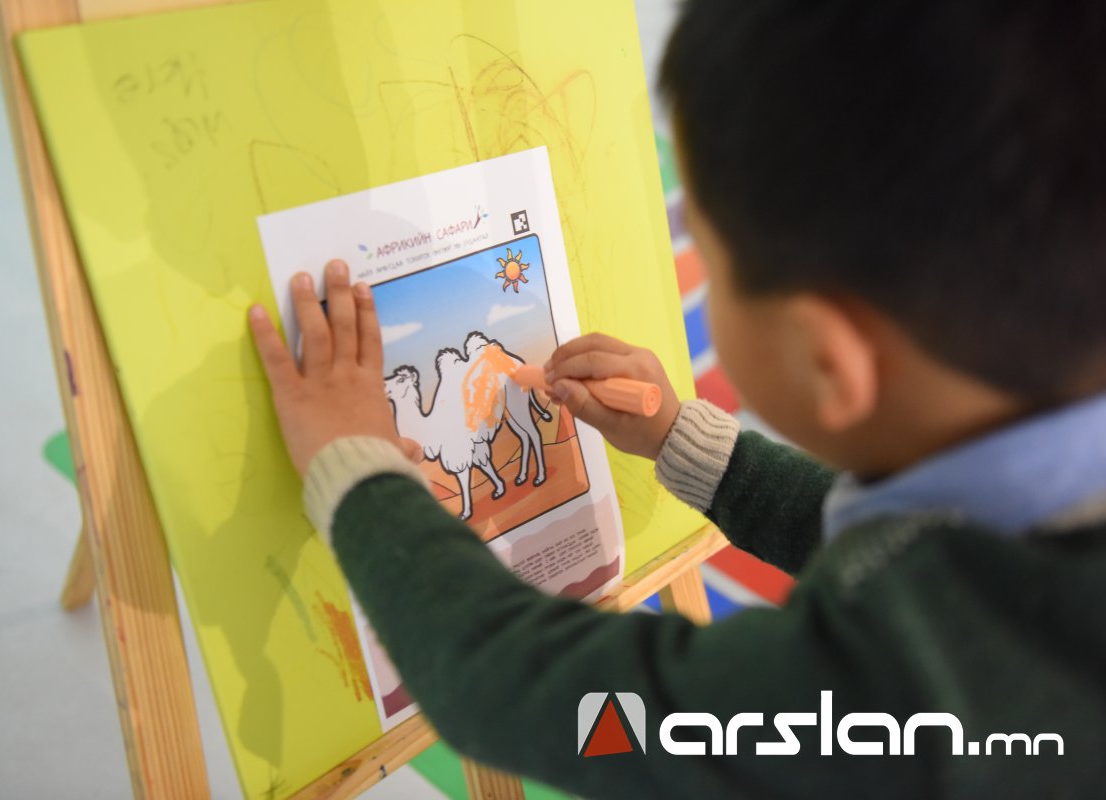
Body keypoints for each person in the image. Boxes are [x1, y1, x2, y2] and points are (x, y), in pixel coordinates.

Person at [247, 0, 1106, 796]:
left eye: (707, 252)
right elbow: (919, 542)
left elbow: (526, 695)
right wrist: (682, 441)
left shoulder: (892, 696)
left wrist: (358, 468)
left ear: (826, 361)